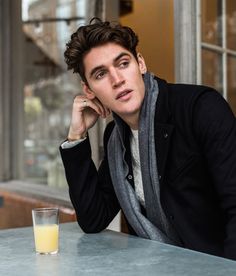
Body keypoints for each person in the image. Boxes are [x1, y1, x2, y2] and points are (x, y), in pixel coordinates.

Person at [60, 18, 236, 260]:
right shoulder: (115, 138)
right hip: (154, 266)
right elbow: (93, 218)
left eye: (123, 64)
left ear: (140, 64)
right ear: (89, 90)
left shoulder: (200, 109)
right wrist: (76, 136)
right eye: (100, 74)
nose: (117, 79)